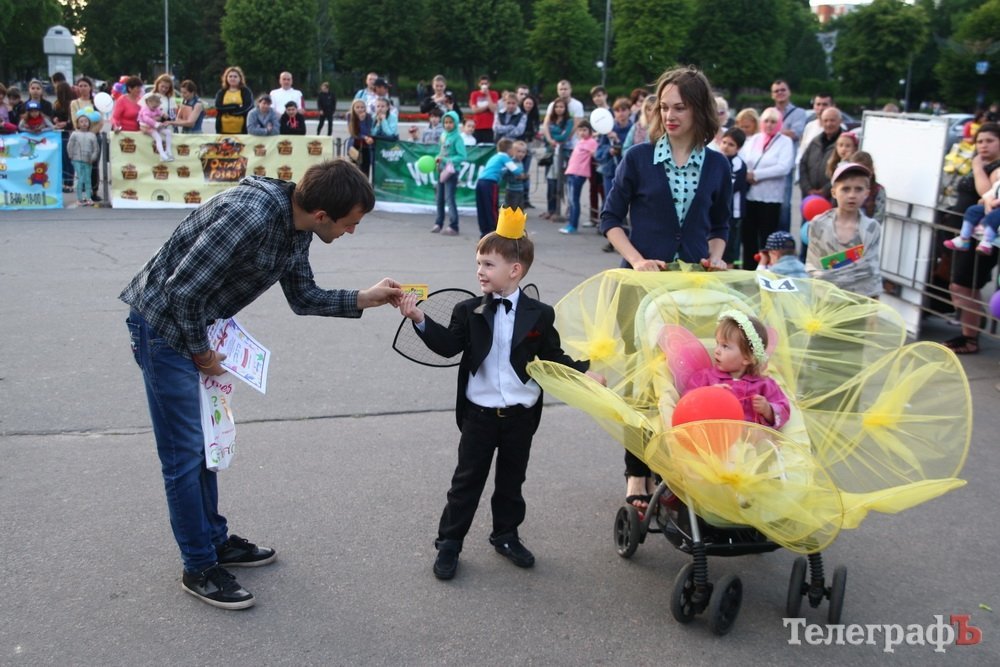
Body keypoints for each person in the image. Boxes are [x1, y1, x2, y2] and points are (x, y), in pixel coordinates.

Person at [120, 160, 403, 610]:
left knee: (205, 446)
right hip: (164, 329)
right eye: (351, 224)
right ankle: (199, 565)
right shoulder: (250, 214)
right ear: (323, 215)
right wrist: (201, 353)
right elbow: (183, 292)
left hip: (196, 327)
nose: (352, 232)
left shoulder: (297, 227)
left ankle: (214, 541)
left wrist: (364, 298)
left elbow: (304, 297)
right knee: (185, 453)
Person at [397, 211, 601, 580]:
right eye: (478, 262)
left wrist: (586, 374)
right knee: (466, 481)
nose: (480, 270)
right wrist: (420, 319)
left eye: (489, 264)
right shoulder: (469, 310)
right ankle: (449, 543)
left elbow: (552, 356)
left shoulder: (540, 314)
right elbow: (448, 348)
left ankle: (505, 535)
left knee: (512, 481)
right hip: (479, 415)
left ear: (515, 270)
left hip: (520, 415)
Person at [600, 66, 731, 509]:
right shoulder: (638, 157)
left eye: (681, 107)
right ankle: (636, 473)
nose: (670, 115)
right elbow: (610, 220)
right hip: (640, 288)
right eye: (664, 107)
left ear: (700, 111)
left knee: (686, 379)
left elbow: (720, 225)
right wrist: (637, 260)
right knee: (641, 383)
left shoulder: (717, 164)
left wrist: (714, 255)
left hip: (693, 290)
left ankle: (674, 468)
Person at [943, 122, 1000, 355]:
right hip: (966, 234)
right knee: (962, 285)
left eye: (989, 141)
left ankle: (970, 337)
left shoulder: (995, 167)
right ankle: (971, 330)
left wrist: (977, 166)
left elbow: (986, 194)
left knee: (963, 284)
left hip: (982, 237)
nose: (983, 146)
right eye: (979, 141)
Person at [686, 311, 791, 428]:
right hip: (712, 437)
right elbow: (686, 402)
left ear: (747, 358)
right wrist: (708, 394)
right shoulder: (704, 377)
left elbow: (784, 409)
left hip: (750, 441)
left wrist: (768, 410)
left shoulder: (764, 384)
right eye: (717, 343)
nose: (717, 350)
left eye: (725, 346)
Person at [806, 162, 882, 299]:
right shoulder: (819, 224)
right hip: (826, 301)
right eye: (845, 189)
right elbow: (815, 269)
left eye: (858, 189)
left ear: (867, 193)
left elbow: (870, 272)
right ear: (834, 192)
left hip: (859, 303)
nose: (852, 195)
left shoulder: (871, 227)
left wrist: (833, 266)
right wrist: (854, 262)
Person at [740, 107, 794, 270]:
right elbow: (743, 159)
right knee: (748, 237)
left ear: (779, 124)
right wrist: (748, 174)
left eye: (773, 122)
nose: (769, 125)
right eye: (766, 121)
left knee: (767, 238)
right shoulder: (754, 139)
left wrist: (756, 174)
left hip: (771, 198)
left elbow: (784, 167)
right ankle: (749, 270)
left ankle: (766, 270)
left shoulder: (785, 142)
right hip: (751, 196)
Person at [770, 79, 808, 231]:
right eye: (776, 91)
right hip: (770, 164)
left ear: (789, 92)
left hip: (785, 165)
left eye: (783, 90)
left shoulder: (798, 113)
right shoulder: (770, 112)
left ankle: (784, 240)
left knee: (785, 205)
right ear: (772, 95)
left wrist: (772, 131)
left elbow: (796, 133)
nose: (780, 93)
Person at [431, 110, 467, 236]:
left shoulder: (457, 137)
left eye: (451, 122)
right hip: (441, 170)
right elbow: (441, 151)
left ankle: (454, 225)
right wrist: (438, 158)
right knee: (439, 198)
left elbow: (462, 156)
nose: (448, 125)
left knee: (449, 198)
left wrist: (446, 160)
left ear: (456, 123)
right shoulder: (443, 135)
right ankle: (438, 223)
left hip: (451, 172)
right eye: (445, 122)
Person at [943, 177, 1000, 254]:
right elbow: (987, 196)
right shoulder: (998, 184)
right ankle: (964, 239)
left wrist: (993, 203)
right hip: (993, 207)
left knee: (994, 215)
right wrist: (988, 200)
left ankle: (987, 242)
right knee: (973, 210)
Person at [562, 120, 598, 235]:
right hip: (572, 172)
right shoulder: (581, 141)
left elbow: (595, 153)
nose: (582, 132)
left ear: (590, 131)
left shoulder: (591, 142)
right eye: (580, 130)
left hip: (579, 174)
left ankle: (573, 225)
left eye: (585, 130)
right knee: (571, 200)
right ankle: (570, 223)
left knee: (574, 200)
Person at [474, 137, 516, 237]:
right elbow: (515, 170)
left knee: (482, 208)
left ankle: (484, 231)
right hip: (490, 183)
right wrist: (524, 175)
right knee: (492, 208)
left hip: (480, 182)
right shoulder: (504, 157)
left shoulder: (494, 157)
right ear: (509, 149)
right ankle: (495, 231)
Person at [539, 98, 573, 222]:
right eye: (557, 107)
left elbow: (564, 136)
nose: (559, 109)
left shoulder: (568, 121)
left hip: (562, 154)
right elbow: (544, 133)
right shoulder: (551, 120)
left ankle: (559, 210)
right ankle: (550, 209)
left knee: (559, 183)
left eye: (561, 107)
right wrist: (551, 136)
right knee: (550, 182)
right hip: (550, 153)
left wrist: (553, 134)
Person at [719, 127, 748, 267]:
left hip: (733, 212)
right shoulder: (716, 160)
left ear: (739, 148)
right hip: (718, 209)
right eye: (724, 142)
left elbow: (732, 186)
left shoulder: (738, 164)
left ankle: (729, 269)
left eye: (731, 145)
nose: (726, 147)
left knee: (730, 245)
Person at [799, 107, 842, 198]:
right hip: (810, 196)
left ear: (840, 121)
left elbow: (843, 171)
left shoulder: (844, 143)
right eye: (825, 121)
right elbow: (803, 164)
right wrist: (807, 189)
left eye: (832, 120)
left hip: (833, 197)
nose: (828, 124)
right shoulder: (815, 142)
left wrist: (825, 190)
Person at [67, 112, 101, 206]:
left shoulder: (92, 135)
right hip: (77, 159)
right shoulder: (74, 134)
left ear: (89, 123)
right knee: (80, 178)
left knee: (87, 179)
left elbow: (95, 148)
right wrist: (71, 155)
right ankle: (79, 198)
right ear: (78, 124)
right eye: (81, 121)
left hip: (88, 160)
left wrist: (93, 157)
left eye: (86, 121)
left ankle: (88, 197)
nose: (84, 123)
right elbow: (70, 145)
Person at [847, 150, 886, 223]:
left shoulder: (878, 190)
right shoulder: (846, 187)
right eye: (855, 171)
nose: (859, 175)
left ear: (871, 171)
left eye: (863, 172)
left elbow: (879, 216)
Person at [796, 93, 834, 165]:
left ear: (832, 106)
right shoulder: (809, 126)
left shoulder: (838, 129)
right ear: (814, 106)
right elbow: (802, 151)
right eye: (818, 104)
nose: (821, 108)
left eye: (825, 104)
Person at [214, 66, 254, 135]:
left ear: (240, 78)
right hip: (223, 130)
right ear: (226, 78)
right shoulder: (221, 92)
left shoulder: (246, 91)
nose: (232, 78)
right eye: (230, 76)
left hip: (241, 130)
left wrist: (231, 111)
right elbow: (219, 107)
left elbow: (248, 107)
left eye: (235, 76)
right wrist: (235, 106)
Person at [823, 131, 859, 200]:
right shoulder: (833, 163)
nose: (843, 149)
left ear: (855, 148)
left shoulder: (855, 165)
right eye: (840, 145)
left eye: (848, 146)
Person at [53, 81, 75, 193]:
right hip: (58, 133)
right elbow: (53, 116)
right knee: (61, 160)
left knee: (68, 159)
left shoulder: (71, 104)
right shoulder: (56, 104)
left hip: (68, 133)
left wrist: (65, 123)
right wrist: (55, 120)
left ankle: (69, 182)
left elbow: (73, 121)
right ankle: (63, 182)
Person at [138, 94, 174, 161]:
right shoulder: (145, 110)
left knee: (168, 132)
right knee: (158, 137)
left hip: (154, 125)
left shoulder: (155, 108)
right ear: (148, 103)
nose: (155, 108)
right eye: (154, 106)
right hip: (146, 126)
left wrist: (163, 114)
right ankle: (162, 154)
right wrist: (156, 124)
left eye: (157, 106)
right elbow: (147, 119)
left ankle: (168, 151)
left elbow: (159, 112)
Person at [347, 99, 374, 177]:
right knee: (354, 169)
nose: (360, 109)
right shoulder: (350, 115)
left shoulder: (368, 116)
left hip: (366, 146)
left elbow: (368, 131)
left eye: (362, 107)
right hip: (354, 145)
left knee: (365, 169)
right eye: (357, 107)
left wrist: (362, 120)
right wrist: (360, 121)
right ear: (353, 108)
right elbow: (353, 132)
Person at [469, 74, 499, 144]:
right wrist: (487, 106)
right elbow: (474, 110)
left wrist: (488, 95)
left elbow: (493, 109)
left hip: (489, 126)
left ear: (489, 84)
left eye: (485, 84)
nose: (484, 85)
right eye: (482, 84)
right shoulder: (474, 94)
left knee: (488, 146)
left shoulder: (494, 94)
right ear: (479, 84)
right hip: (477, 126)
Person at [504, 140, 529, 210]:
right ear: (513, 151)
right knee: (511, 210)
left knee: (520, 209)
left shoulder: (521, 162)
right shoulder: (510, 162)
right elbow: (505, 176)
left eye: (523, 152)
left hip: (520, 190)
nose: (521, 154)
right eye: (518, 151)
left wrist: (525, 177)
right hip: (511, 190)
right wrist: (517, 178)